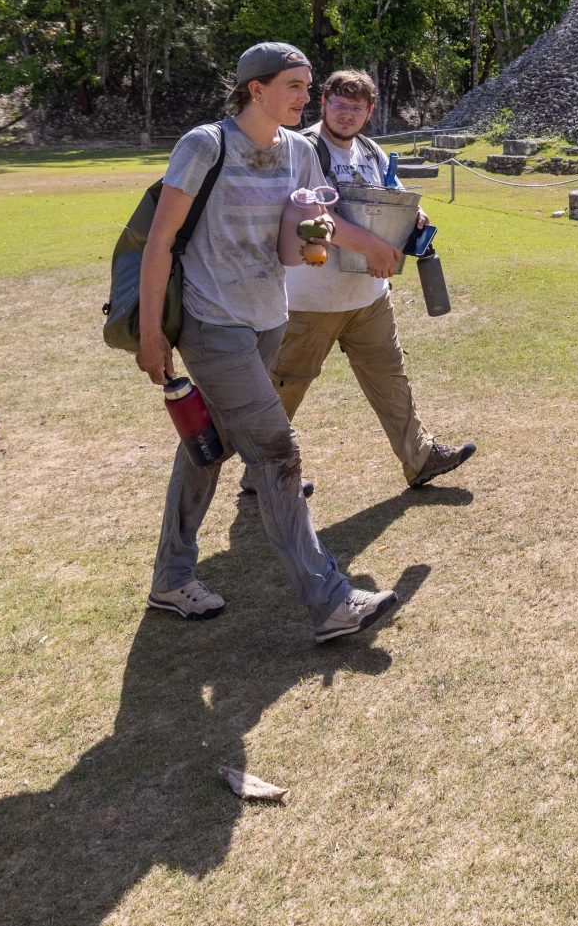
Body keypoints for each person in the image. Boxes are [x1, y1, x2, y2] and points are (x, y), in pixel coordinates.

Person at [139, 42, 400, 644]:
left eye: (308, 87)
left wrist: (354, 241)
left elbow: (316, 223)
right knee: (277, 451)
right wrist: (153, 335)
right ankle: (331, 600)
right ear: (255, 89)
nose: (307, 97)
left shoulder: (298, 151)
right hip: (212, 322)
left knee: (208, 447)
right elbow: (159, 242)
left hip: (268, 318)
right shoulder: (206, 145)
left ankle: (172, 577)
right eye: (295, 86)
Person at [265, 68, 474, 492]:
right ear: (323, 104)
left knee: (389, 377)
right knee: (287, 384)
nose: (346, 115)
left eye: (355, 108)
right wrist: (373, 248)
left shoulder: (373, 153)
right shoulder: (301, 149)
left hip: (369, 295)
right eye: (338, 105)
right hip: (310, 298)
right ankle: (263, 470)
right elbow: (314, 216)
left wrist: (413, 216)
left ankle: (420, 458)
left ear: (369, 112)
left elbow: (391, 196)